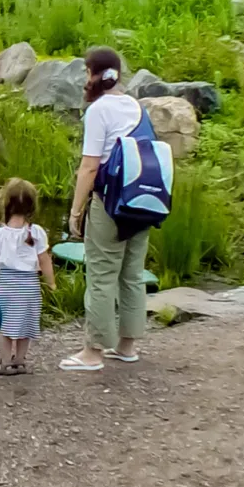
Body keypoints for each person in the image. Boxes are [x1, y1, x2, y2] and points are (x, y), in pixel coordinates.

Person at [63, 47, 150, 373]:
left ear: (95, 75)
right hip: (141, 202)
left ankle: (93, 351)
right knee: (132, 274)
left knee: (100, 276)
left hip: (110, 203)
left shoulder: (99, 110)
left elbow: (89, 166)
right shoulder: (134, 105)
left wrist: (76, 211)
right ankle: (127, 346)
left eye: (87, 72)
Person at [0, 178, 55, 376]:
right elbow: (44, 260)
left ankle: (5, 363)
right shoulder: (37, 232)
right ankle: (20, 361)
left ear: (6, 204)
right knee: (25, 325)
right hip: (29, 286)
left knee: (6, 328)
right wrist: (51, 283)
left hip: (7, 286)